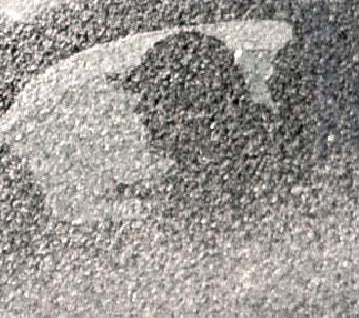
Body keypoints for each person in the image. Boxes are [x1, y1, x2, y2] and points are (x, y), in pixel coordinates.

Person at [117, 28, 277, 239]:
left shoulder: (235, 190)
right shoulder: (213, 176)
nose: (141, 109)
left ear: (195, 102)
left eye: (152, 96)